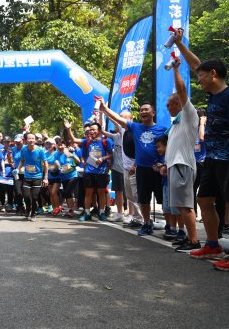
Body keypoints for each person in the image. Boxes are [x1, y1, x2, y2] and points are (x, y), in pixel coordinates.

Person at [175, 28, 229, 271]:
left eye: (201, 77)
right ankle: (212, 245)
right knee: (204, 199)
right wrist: (180, 44)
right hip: (213, 159)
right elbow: (197, 64)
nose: (198, 80)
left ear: (214, 74)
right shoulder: (214, 94)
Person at [99, 100, 166, 235]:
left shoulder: (162, 129)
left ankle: (171, 226)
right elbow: (117, 119)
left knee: (163, 200)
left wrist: (164, 164)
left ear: (153, 113)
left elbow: (167, 148)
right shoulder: (135, 128)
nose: (143, 112)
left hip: (157, 169)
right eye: (141, 110)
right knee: (143, 199)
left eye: (146, 109)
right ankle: (146, 223)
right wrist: (105, 109)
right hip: (141, 169)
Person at [163, 59, 201, 252]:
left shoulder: (188, 114)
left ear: (178, 103)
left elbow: (182, 90)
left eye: (169, 104)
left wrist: (176, 69)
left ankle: (194, 240)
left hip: (182, 165)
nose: (167, 107)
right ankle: (188, 236)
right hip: (174, 165)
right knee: (180, 205)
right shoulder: (176, 122)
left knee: (186, 205)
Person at [78, 122, 113, 222]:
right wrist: (84, 162)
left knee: (101, 193)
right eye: (90, 129)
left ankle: (101, 213)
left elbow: (111, 154)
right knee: (88, 193)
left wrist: (102, 158)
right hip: (89, 171)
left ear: (99, 130)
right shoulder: (87, 142)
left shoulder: (106, 141)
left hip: (102, 172)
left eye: (94, 129)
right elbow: (84, 155)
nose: (91, 131)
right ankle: (87, 213)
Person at [17, 132, 48, 221]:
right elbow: (22, 160)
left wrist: (45, 178)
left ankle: (33, 213)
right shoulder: (23, 150)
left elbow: (45, 163)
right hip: (27, 176)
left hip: (37, 176)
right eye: (29, 139)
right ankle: (28, 209)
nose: (31, 140)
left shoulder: (40, 150)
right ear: (26, 140)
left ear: (35, 140)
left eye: (33, 138)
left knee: (34, 197)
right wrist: (18, 169)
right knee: (26, 196)